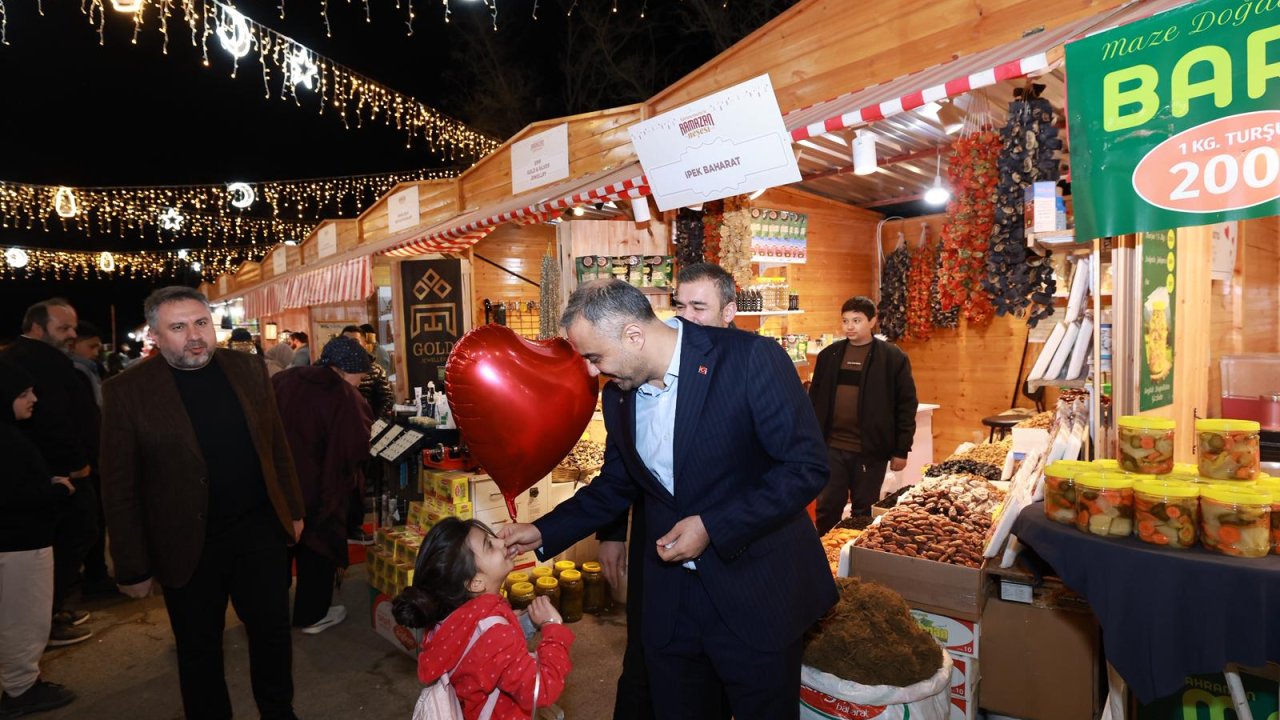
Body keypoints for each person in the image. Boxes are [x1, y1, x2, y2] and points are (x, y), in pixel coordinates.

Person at [501, 279, 836, 720]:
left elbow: (805, 467)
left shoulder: (750, 359)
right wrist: (543, 530)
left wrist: (713, 526)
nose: (590, 371)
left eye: (594, 357)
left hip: (755, 594)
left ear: (634, 336)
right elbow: (616, 485)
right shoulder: (618, 397)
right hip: (672, 605)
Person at [100, 286, 305, 720]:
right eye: (178, 327)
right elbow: (119, 487)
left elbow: (276, 446)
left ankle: (278, 710)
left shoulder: (248, 368)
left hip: (258, 532)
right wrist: (131, 563)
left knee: (271, 635)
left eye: (201, 323)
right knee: (198, 649)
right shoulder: (127, 391)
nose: (194, 336)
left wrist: (294, 509)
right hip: (187, 543)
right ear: (155, 336)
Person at [596, 262, 738, 720]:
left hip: (732, 558)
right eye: (679, 305)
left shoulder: (745, 368)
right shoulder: (638, 376)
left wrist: (716, 526)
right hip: (656, 546)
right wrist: (612, 533)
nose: (686, 317)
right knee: (647, 660)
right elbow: (620, 464)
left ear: (729, 312)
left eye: (700, 307)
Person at [393, 517, 573, 720]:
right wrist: (553, 629)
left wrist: (522, 624)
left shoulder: (454, 618)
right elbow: (542, 690)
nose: (501, 541)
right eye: (489, 545)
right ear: (475, 583)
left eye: (491, 537)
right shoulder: (495, 635)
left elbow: (482, 652)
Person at [1, 299, 97, 647]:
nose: (72, 335)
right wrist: (76, 463)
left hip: (42, 471)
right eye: (63, 328)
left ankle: (46, 615)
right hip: (56, 474)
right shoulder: (37, 362)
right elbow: (56, 419)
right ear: (37, 328)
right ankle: (43, 620)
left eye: (73, 328)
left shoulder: (23, 356)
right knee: (72, 537)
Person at [271, 336, 373, 634]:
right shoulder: (344, 395)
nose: (360, 382)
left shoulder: (282, 380)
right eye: (360, 375)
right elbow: (355, 448)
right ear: (344, 369)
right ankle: (311, 615)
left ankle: (270, 614)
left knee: (278, 549)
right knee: (317, 549)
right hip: (321, 488)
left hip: (277, 487)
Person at [0, 359, 78, 717]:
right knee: (23, 618)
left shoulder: (12, 433)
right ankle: (21, 689)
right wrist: (57, 491)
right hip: (19, 545)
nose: (33, 399)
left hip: (18, 543)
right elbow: (15, 497)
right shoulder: (7, 440)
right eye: (23, 393)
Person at [808, 296, 919, 533]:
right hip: (831, 448)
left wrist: (901, 449)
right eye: (845, 321)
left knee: (863, 511)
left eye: (856, 320)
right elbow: (814, 400)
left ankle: (854, 561)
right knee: (827, 508)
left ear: (872, 321)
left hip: (870, 451)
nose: (849, 326)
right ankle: (826, 559)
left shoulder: (892, 357)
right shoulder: (829, 356)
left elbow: (906, 405)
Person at [68, 321, 118, 599]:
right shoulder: (77, 373)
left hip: (92, 455)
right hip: (89, 458)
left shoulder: (88, 371)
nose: (97, 352)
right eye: (93, 346)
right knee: (93, 520)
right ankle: (94, 577)